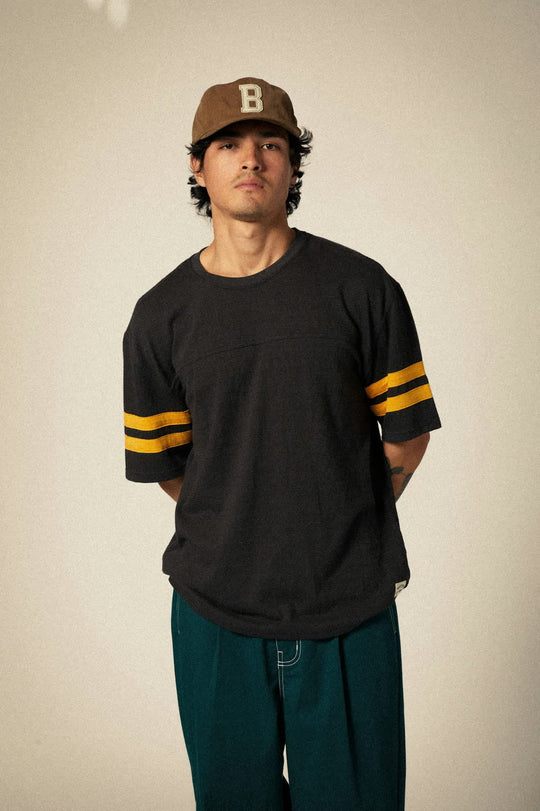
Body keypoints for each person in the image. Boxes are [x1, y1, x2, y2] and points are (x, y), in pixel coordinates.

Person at [123, 77, 441, 810]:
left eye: (271, 143)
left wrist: (334, 518)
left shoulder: (363, 288)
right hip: (214, 617)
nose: (251, 158)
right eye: (228, 144)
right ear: (198, 166)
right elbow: (171, 469)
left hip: (349, 612)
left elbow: (407, 439)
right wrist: (249, 523)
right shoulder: (159, 317)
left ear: (294, 165)